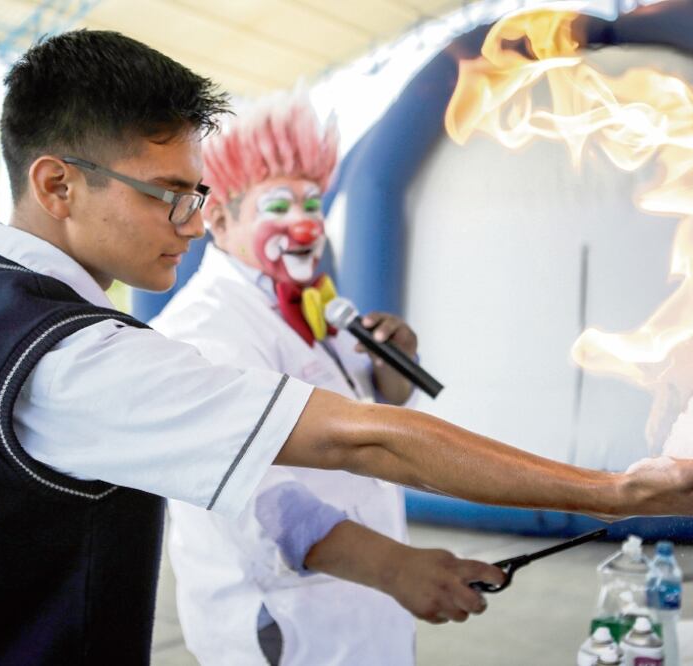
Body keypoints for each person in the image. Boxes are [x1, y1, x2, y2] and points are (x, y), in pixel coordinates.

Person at [0, 29, 693, 664]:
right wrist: (620, 492)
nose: (189, 220)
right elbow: (348, 441)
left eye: (197, 192)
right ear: (57, 183)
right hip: (286, 628)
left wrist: (376, 371)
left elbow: (366, 417)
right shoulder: (85, 356)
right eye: (170, 195)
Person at [150, 90, 477, 665]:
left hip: (363, 611)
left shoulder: (316, 308)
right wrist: (395, 567)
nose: (305, 226)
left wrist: (388, 363)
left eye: (313, 204)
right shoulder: (205, 328)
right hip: (287, 619)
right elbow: (250, 491)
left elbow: (377, 405)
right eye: (278, 207)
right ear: (221, 218)